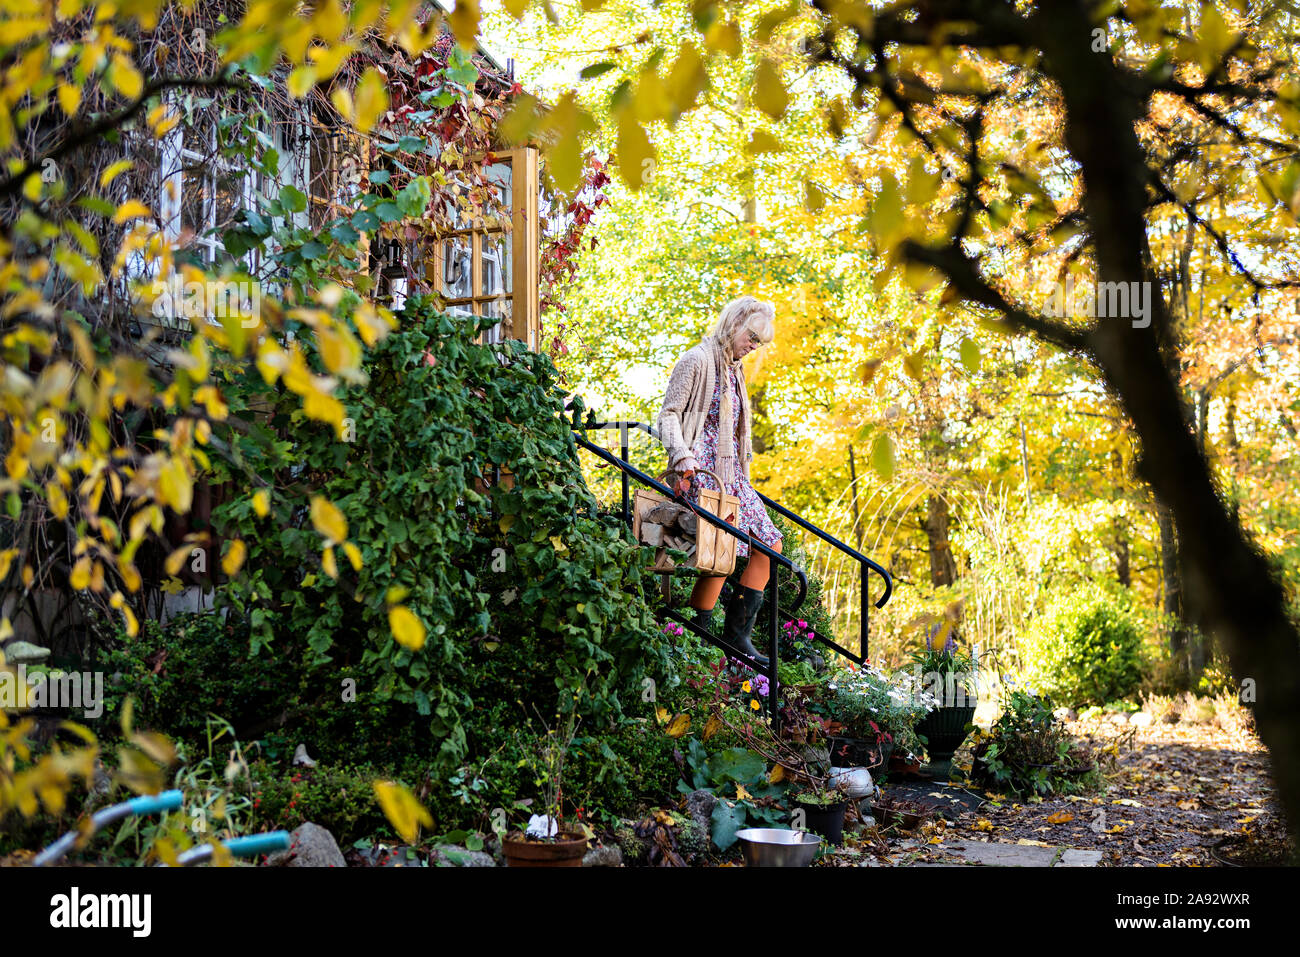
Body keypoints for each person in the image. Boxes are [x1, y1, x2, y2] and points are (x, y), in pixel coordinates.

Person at [656, 295, 783, 665]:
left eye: (759, 342)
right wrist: (682, 458)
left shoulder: (734, 370)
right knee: (720, 554)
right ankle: (701, 631)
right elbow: (668, 417)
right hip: (700, 471)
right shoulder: (696, 360)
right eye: (752, 337)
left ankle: (733, 637)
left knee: (768, 546)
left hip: (730, 476)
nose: (753, 346)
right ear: (735, 323)